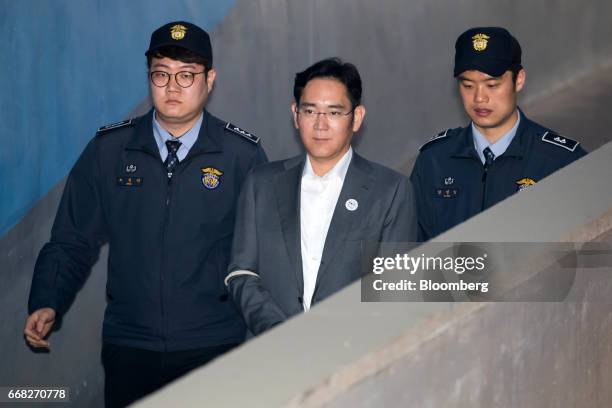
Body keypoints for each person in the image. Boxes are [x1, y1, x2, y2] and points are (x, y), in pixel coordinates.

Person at [24, 21, 267, 407]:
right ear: (149, 78)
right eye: (161, 74)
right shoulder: (109, 152)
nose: (172, 87)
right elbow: (72, 239)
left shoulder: (241, 156)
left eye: (187, 75)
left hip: (214, 343)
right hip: (130, 346)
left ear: (210, 79)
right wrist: (47, 299)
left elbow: (262, 252)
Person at [224, 58, 417, 335]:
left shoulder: (390, 191)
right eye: (310, 111)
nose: (320, 125)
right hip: (268, 352)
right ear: (295, 115)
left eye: (334, 113)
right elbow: (241, 273)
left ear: (357, 117)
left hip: (349, 353)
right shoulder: (261, 183)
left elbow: (391, 289)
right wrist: (277, 331)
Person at [410, 26, 587, 241]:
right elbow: (412, 250)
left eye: (492, 85)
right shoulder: (434, 160)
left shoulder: (562, 161)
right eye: (467, 85)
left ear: (519, 80)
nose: (479, 98)